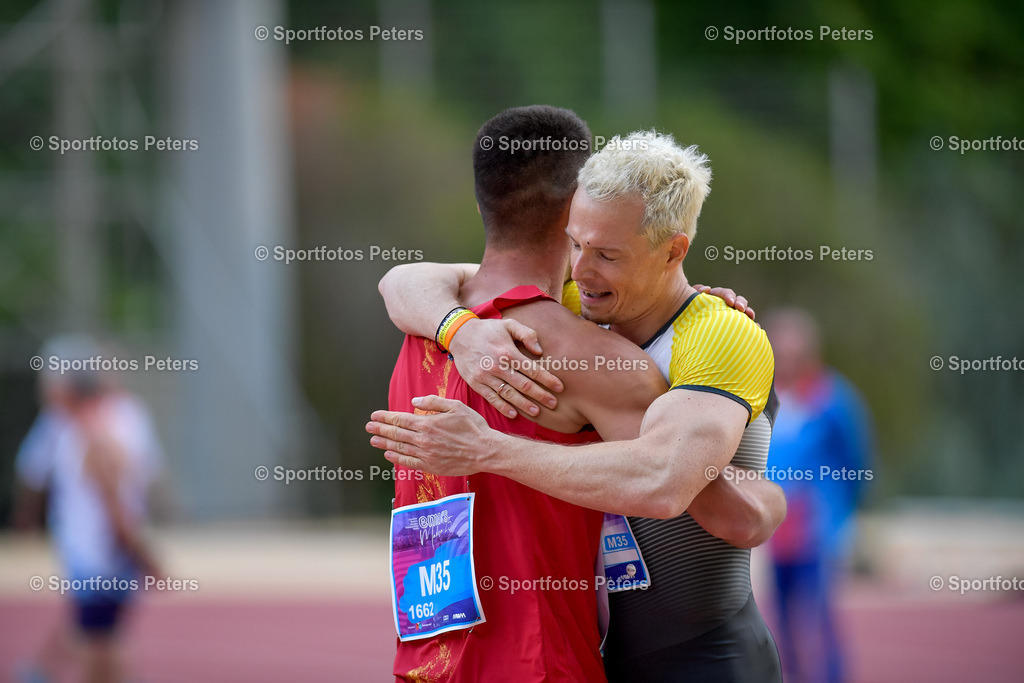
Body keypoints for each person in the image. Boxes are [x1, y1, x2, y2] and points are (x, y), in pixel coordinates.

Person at [377, 107, 784, 682]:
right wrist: (458, 330)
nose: (583, 270)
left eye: (606, 254)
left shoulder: (714, 332)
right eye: (575, 244)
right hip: (558, 654)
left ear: (673, 251)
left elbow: (677, 487)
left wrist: (487, 449)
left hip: (698, 658)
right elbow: (401, 279)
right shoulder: (530, 314)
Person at [13, 336, 163, 683]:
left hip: (100, 557)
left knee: (102, 643)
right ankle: (39, 670)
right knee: (100, 635)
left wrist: (137, 548)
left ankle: (39, 671)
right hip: (97, 554)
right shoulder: (75, 428)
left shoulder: (95, 434)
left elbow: (114, 503)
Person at [761, 308, 874, 683]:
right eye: (781, 350)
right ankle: (790, 675)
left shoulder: (833, 397)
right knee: (778, 616)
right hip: (775, 529)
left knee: (820, 614)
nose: (787, 358)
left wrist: (843, 513)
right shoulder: (764, 394)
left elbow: (857, 458)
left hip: (818, 528)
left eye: (795, 351)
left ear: (810, 351)